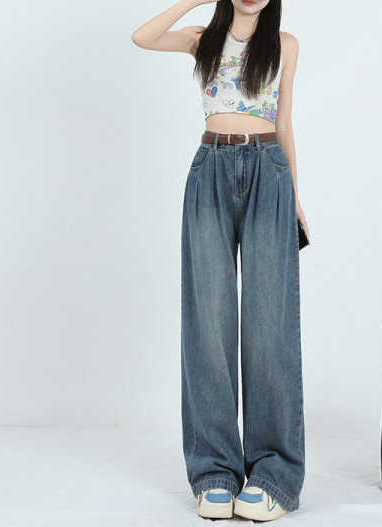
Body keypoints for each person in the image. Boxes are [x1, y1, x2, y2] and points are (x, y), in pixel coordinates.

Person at [132, 0, 309, 521]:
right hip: (209, 167)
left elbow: (284, 122)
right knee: (207, 322)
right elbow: (143, 37)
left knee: (269, 324)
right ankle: (214, 471)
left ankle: (275, 475)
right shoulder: (201, 38)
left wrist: (295, 196)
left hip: (269, 170)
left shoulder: (285, 45)